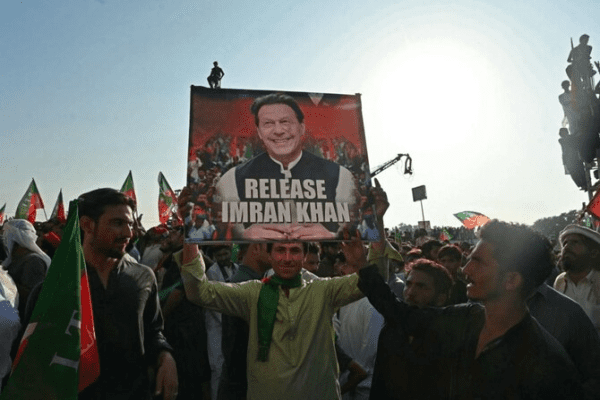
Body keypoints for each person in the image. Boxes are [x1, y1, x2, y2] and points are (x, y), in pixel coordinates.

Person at [359, 218, 583, 399]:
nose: (465, 269)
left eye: (478, 262)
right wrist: (361, 261)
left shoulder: (548, 364)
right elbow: (401, 314)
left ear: (511, 280)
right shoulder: (465, 318)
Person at [213, 93, 359, 241]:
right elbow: (228, 237)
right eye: (268, 124)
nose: (278, 131)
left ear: (301, 128)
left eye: (285, 122)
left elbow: (351, 234)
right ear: (259, 132)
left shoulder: (341, 177)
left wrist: (331, 237)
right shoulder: (231, 180)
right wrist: (244, 238)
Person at [77, 188, 178, 400]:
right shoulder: (61, 282)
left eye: (130, 224)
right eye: (117, 223)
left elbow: (153, 331)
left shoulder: (143, 277)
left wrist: (165, 356)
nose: (128, 233)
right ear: (87, 224)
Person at [218, 243, 271, 400]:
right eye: (270, 245)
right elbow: (237, 350)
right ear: (256, 247)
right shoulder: (243, 285)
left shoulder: (254, 281)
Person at [554, 224, 600, 335]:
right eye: (565, 243)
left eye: (575, 242)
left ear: (593, 253)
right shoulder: (560, 281)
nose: (567, 247)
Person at [1, 219, 51, 319]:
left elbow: (33, 295)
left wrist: (6, 283)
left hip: (21, 319)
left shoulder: (33, 261)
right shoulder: (16, 258)